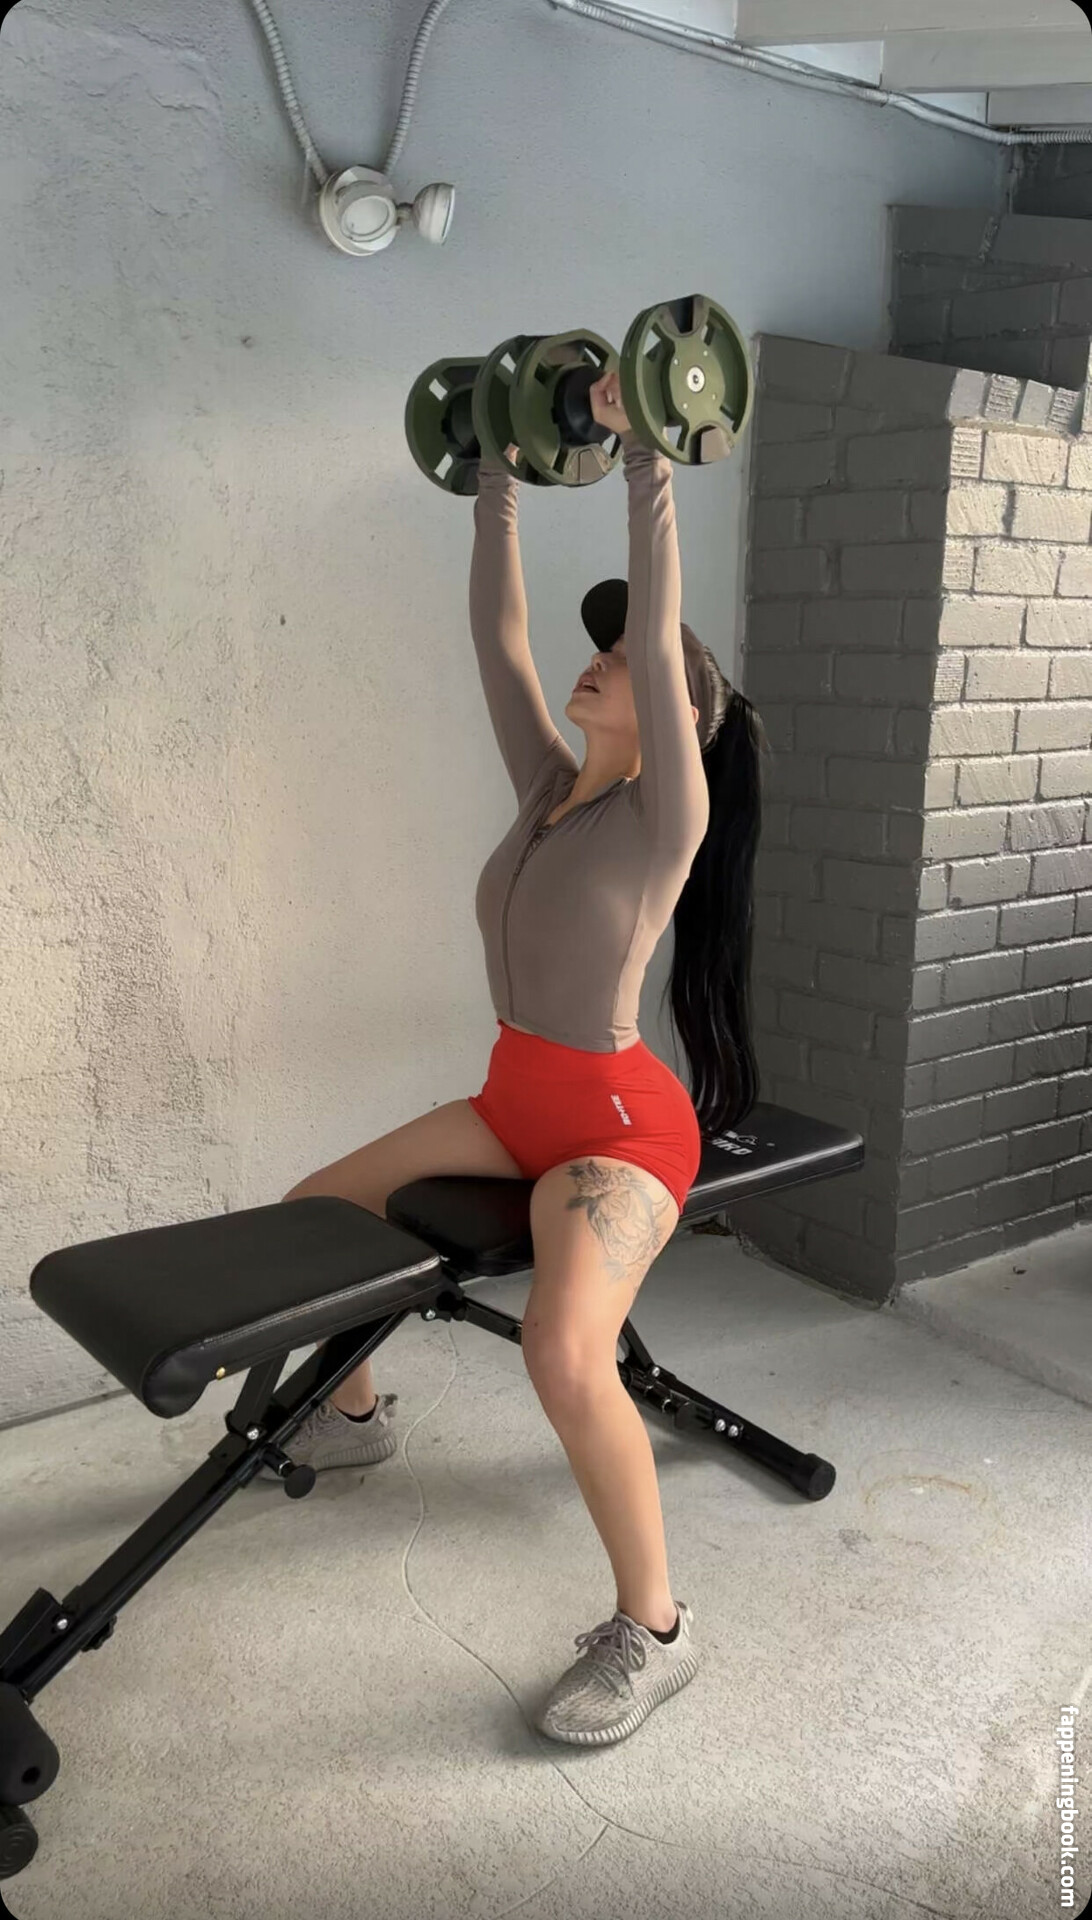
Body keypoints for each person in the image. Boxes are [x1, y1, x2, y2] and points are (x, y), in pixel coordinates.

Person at [276, 371, 766, 1747]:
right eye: (595, 648)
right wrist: (493, 469)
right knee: (319, 1206)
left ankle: (655, 1629)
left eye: (626, 659)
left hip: (619, 1131)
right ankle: (355, 1418)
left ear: (673, 710)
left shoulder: (669, 815)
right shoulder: (551, 791)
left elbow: (655, 637)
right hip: (514, 1101)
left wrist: (647, 456)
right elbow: (498, 639)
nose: (596, 657)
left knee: (561, 1352)